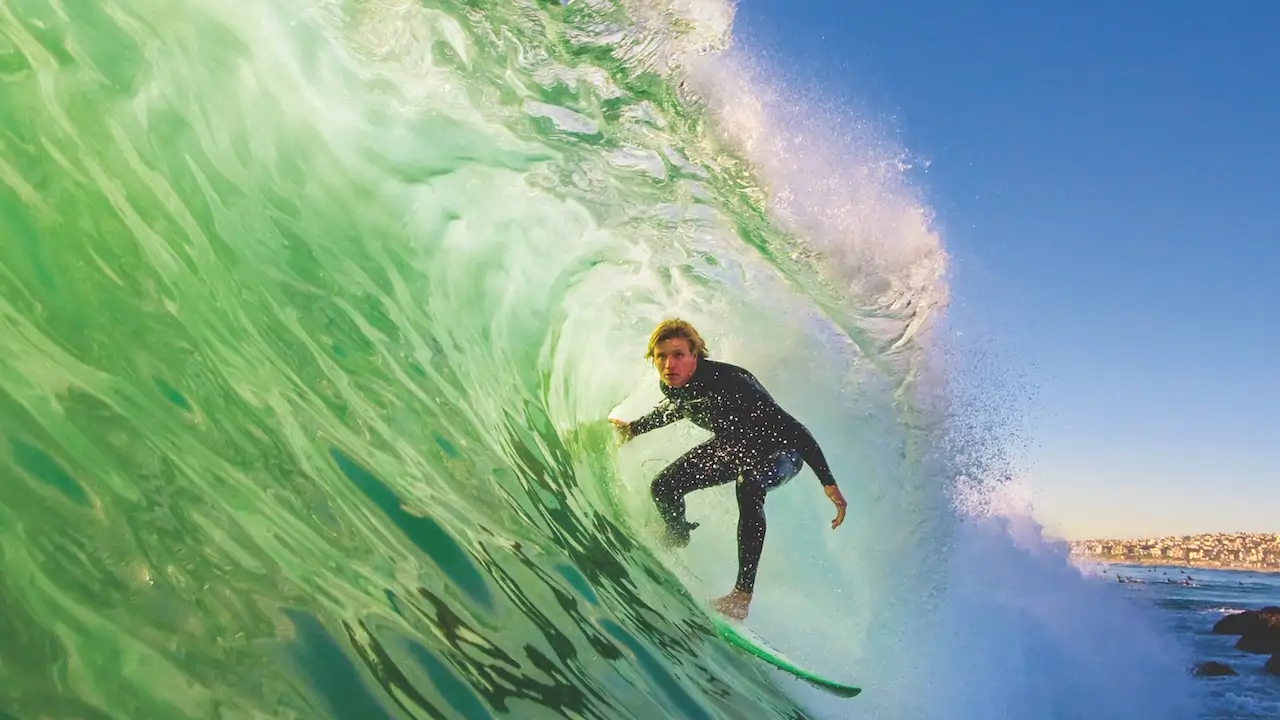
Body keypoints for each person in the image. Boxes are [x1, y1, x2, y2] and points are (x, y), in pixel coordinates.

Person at [610, 319, 848, 620]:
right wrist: (633, 429)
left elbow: (795, 430)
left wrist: (829, 484)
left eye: (678, 354)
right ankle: (678, 533)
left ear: (695, 355)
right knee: (664, 487)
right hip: (733, 447)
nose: (669, 364)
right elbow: (678, 409)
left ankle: (741, 597)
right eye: (661, 356)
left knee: (748, 484)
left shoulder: (732, 381)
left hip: (782, 449)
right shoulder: (673, 383)